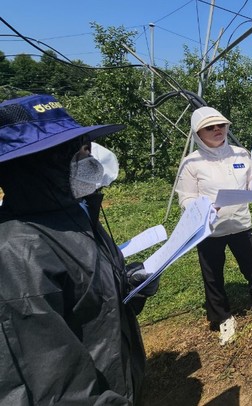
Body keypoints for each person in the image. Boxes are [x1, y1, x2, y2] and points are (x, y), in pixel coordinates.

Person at [0, 93, 156, 404]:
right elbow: (57, 387)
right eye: (80, 152)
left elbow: (88, 307)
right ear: (40, 165)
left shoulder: (76, 217)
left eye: (88, 148)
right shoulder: (16, 251)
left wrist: (129, 285)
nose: (92, 161)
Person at [176, 105, 252, 346]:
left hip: (240, 224)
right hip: (210, 230)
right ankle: (223, 318)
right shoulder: (191, 162)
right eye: (210, 127)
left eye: (221, 125)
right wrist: (204, 208)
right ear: (198, 133)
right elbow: (186, 198)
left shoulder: (240, 154)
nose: (217, 130)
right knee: (213, 276)